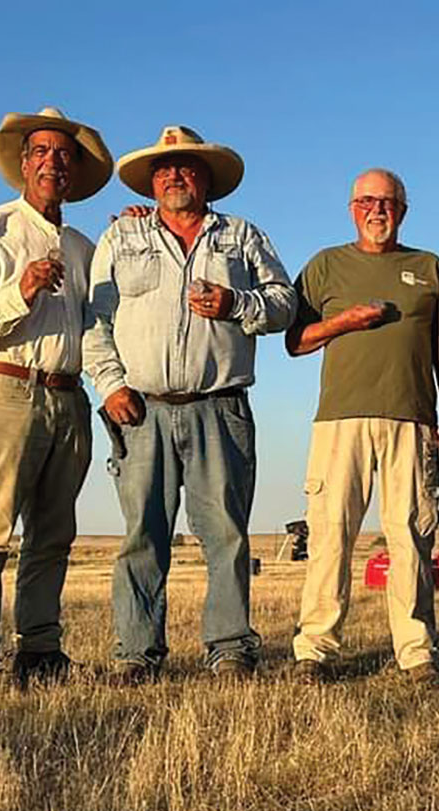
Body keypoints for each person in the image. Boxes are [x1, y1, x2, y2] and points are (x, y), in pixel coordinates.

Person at [84, 125, 295, 682]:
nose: (176, 175)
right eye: (165, 169)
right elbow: (94, 321)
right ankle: (136, 653)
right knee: (142, 535)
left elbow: (283, 304)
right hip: (140, 407)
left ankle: (229, 649)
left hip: (219, 405)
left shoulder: (242, 235)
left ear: (208, 179)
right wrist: (110, 385)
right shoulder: (121, 239)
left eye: (187, 167)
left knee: (225, 533)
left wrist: (235, 302)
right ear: (152, 182)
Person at [0, 107, 113, 688]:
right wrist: (19, 291)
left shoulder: (87, 247)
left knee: (54, 533)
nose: (52, 162)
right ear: (23, 163)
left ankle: (40, 650)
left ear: (75, 170)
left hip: (69, 395)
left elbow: (100, 324)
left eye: (64, 154)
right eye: (41, 151)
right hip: (7, 388)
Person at [287, 169, 439, 687]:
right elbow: (296, 341)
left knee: (410, 535)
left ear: (404, 209)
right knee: (332, 533)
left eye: (388, 202)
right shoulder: (326, 266)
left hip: (414, 418)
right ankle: (315, 649)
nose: (377, 210)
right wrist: (344, 323)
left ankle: (417, 651)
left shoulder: (429, 268)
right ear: (352, 208)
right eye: (367, 202)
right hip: (340, 421)